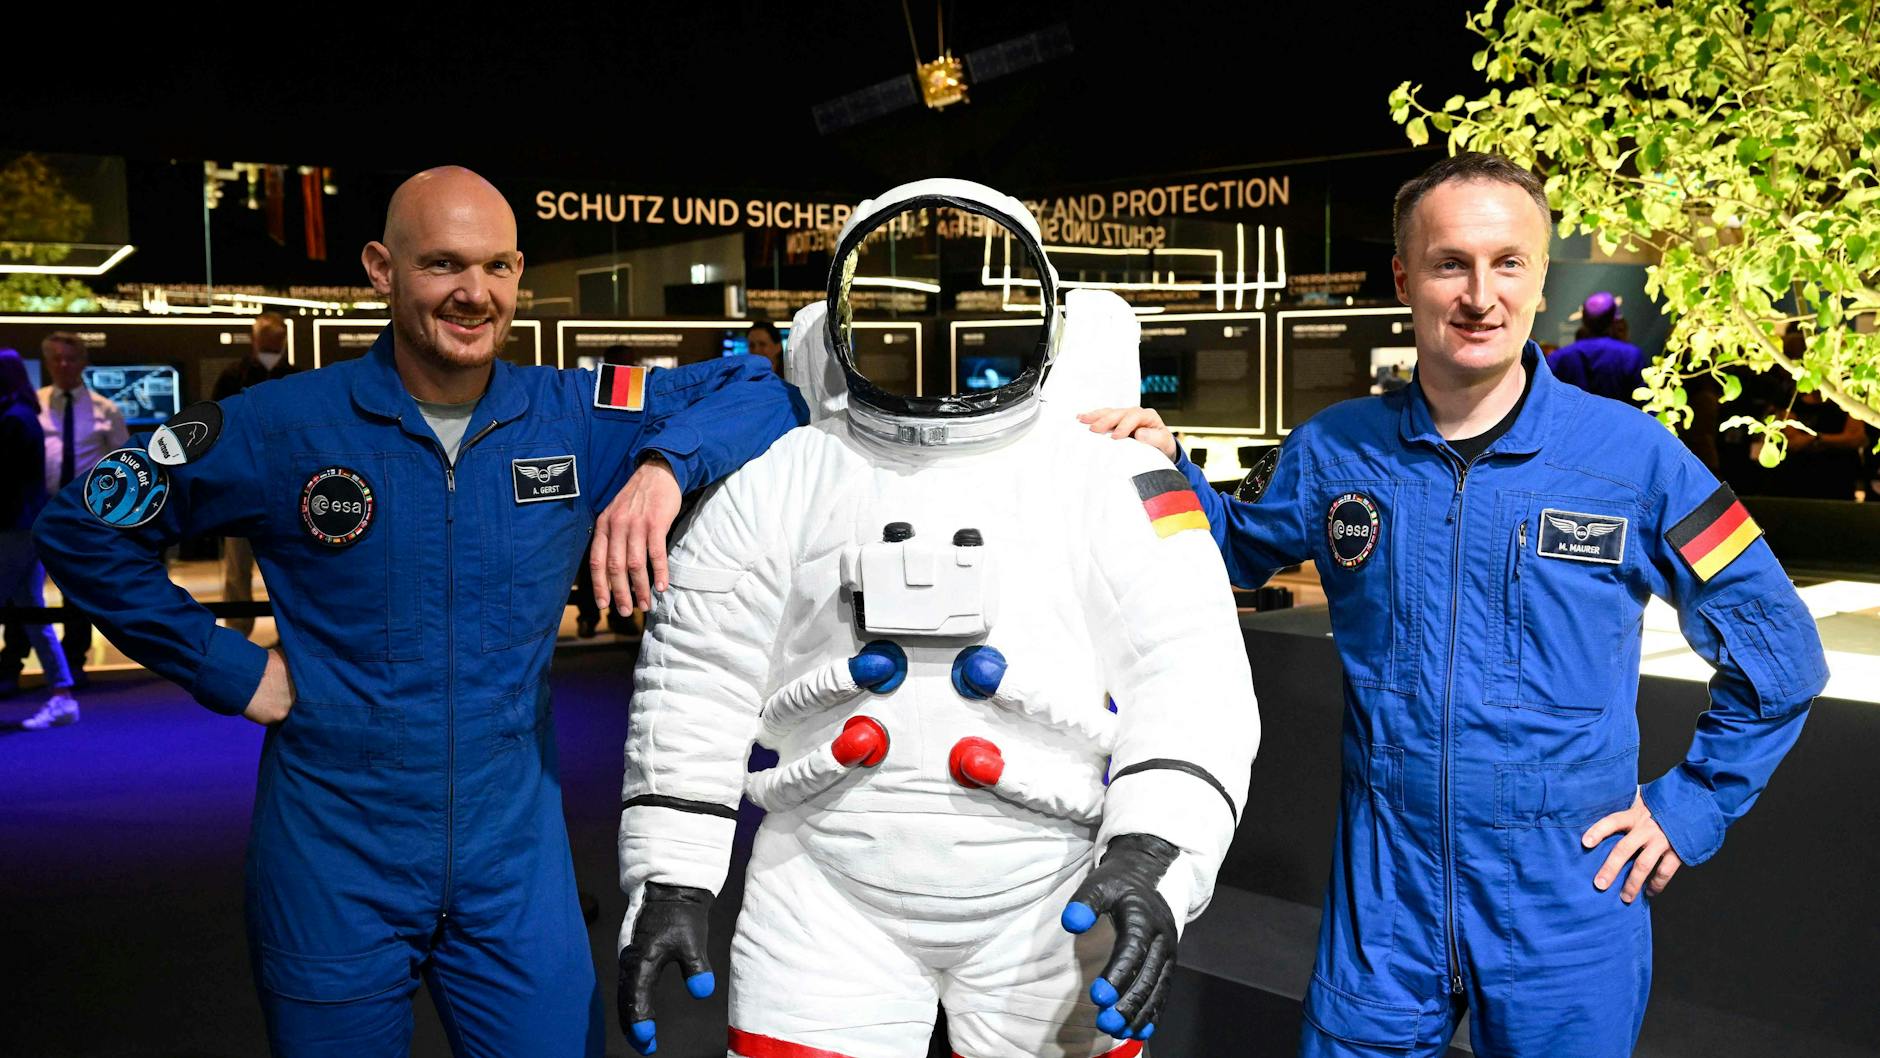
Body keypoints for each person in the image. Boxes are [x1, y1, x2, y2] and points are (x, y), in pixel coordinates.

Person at [35, 166, 805, 1058]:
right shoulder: (280, 424)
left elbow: (761, 388)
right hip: (332, 862)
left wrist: (664, 468)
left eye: (497, 266)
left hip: (514, 867)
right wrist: (230, 667)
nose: (475, 294)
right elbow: (82, 523)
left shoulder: (574, 415)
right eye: (443, 264)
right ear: (381, 269)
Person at [1082, 152, 1828, 1058]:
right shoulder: (1337, 450)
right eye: (1451, 264)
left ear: (1542, 277)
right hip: (1384, 892)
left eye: (1508, 262)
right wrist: (1162, 470)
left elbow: (1782, 654)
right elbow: (1229, 548)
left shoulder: (1635, 461)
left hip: (1567, 897)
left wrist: (1692, 805)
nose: (1481, 295)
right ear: (1405, 279)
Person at [616, 179, 1258, 1058]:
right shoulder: (784, 479)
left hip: (1050, 892)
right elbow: (697, 675)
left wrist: (1154, 853)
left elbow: (1190, 675)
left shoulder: (1108, 477)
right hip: (823, 893)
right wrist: (671, 874)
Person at [2, 332, 129, 688]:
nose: (64, 365)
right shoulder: (34, 406)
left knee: (77, 592)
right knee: (22, 592)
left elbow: (123, 463)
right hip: (35, 512)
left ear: (84, 362)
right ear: (47, 362)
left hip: (84, 515)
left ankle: (74, 663)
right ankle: (12, 663)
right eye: (57, 358)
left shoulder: (106, 410)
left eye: (71, 358)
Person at [0, 349, 79, 728]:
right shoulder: (23, 416)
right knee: (33, 612)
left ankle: (63, 696)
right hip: (25, 527)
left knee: (32, 611)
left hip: (13, 529)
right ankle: (63, 695)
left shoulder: (13, 420)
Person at [212, 311, 300, 639]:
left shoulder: (295, 377)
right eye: (267, 340)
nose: (271, 346)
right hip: (240, 485)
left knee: (288, 566)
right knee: (237, 567)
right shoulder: (233, 376)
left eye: (276, 340)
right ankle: (237, 632)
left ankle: (290, 633)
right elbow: (217, 427)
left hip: (285, 488)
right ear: (255, 340)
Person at [1545, 290, 1647, 404]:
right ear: (1614, 319)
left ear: (1584, 319)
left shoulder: (1558, 358)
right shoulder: (1631, 355)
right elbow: (1643, 402)